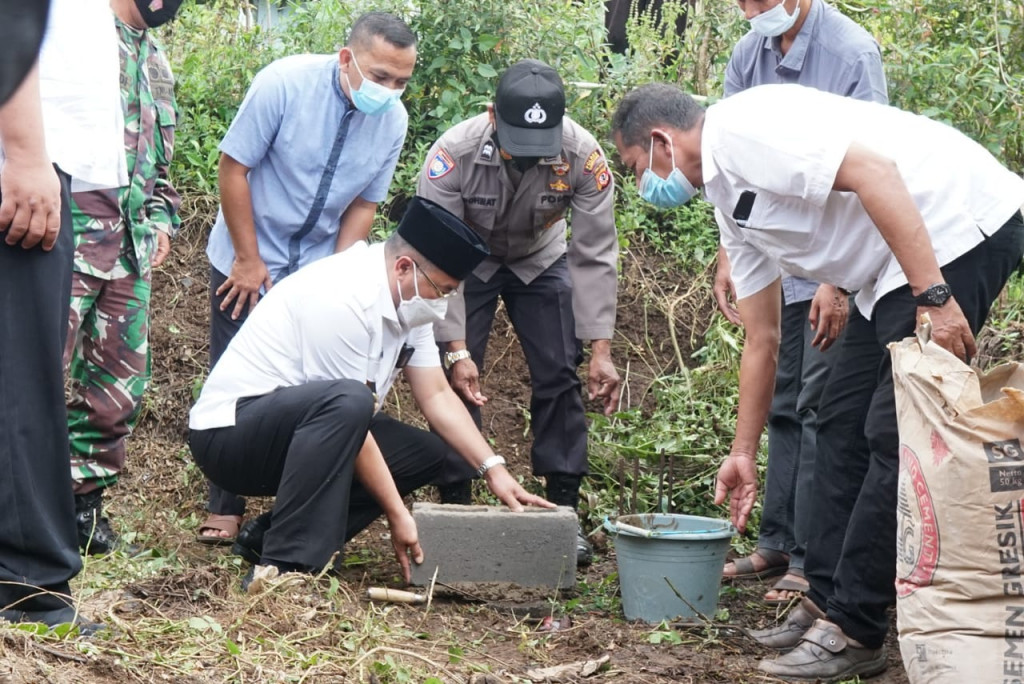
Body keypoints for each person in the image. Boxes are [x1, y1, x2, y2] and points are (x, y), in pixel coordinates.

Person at [611, 82, 1024, 681]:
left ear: (661, 141)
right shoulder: (726, 199)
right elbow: (762, 337)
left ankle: (856, 627)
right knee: (838, 421)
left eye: (635, 168)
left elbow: (875, 172)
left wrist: (934, 295)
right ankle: (824, 600)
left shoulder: (745, 130)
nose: (643, 185)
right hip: (886, 267)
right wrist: (743, 453)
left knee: (892, 434)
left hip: (956, 227)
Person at [188, 196, 553, 590]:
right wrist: (398, 514)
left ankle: (268, 536)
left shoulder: (412, 301)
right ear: (404, 267)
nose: (443, 304)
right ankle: (286, 564)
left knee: (427, 453)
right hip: (230, 438)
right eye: (442, 290)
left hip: (301, 431)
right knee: (350, 402)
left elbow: (436, 395)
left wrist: (494, 469)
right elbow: (349, 421)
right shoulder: (342, 295)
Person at [197, 11, 417, 545]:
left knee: (310, 387)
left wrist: (338, 278)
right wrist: (248, 259)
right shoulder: (283, 83)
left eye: (401, 81)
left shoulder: (393, 121)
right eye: (380, 76)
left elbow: (364, 204)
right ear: (346, 59)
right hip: (250, 257)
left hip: (317, 264)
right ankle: (224, 503)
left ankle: (293, 504)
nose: (389, 91)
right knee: (239, 379)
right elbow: (234, 168)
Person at [715, 0, 887, 605]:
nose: (751, 11)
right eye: (742, 1)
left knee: (822, 407)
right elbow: (729, 167)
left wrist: (836, 282)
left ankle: (814, 560)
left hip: (834, 260)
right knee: (784, 401)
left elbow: (875, 168)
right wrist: (730, 253)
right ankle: (777, 543)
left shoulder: (851, 53)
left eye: (761, 0)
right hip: (777, 255)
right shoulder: (748, 54)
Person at [416, 59, 620, 565]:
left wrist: (600, 348)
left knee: (559, 372)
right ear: (492, 115)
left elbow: (594, 253)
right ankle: (456, 504)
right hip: (466, 262)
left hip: (540, 259)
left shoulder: (582, 155)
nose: (529, 157)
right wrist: (456, 349)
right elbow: (437, 254)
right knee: (456, 379)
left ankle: (563, 510)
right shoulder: (453, 154)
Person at [0, 0, 126, 630]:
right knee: (21, 381)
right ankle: (26, 587)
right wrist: (24, 153)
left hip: (40, 154)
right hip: (21, 158)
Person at [65, 0, 183, 557]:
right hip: (64, 238)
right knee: (31, 375)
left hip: (129, 251)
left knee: (117, 386)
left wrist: (160, 218)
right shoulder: (74, 34)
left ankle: (80, 507)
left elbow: (160, 162)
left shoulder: (154, 57)